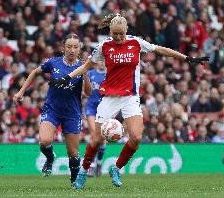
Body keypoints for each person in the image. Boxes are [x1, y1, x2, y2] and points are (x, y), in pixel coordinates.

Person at [50, 13, 209, 189]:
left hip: (130, 97)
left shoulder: (136, 42)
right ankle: (83, 172)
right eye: (115, 34)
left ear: (126, 30)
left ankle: (116, 168)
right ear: (110, 31)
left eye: (121, 34)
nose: (118, 37)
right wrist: (67, 77)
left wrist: (186, 58)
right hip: (109, 97)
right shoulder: (104, 46)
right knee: (96, 141)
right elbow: (86, 66)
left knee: (136, 137)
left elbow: (160, 50)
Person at [13, 34, 91, 186]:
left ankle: (74, 183)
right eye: (69, 46)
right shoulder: (53, 63)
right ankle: (50, 158)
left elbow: (88, 93)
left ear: (79, 49)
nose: (72, 50)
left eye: (75, 47)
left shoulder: (81, 67)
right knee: (44, 141)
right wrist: (21, 91)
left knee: (73, 153)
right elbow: (35, 72)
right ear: (63, 48)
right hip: (52, 110)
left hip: (72, 113)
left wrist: (86, 72)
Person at [84, 62, 106, 177]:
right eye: (101, 60)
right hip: (91, 108)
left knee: (102, 138)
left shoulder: (109, 75)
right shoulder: (90, 73)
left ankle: (99, 162)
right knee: (94, 133)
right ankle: (91, 165)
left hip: (104, 109)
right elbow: (85, 91)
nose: (103, 63)